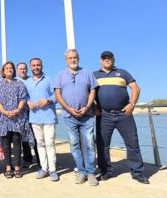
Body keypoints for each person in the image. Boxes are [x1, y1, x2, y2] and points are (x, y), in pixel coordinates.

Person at [94, 51, 149, 184]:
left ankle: (138, 173)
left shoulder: (122, 72)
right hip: (104, 115)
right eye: (104, 58)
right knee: (102, 145)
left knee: (132, 144)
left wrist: (132, 104)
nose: (107, 60)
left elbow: (136, 88)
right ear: (101, 60)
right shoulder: (94, 75)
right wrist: (93, 107)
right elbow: (88, 92)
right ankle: (106, 172)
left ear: (113, 59)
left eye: (109, 58)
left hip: (124, 114)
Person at [54, 49, 98, 186]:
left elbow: (93, 91)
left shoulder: (87, 73)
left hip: (87, 116)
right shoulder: (60, 75)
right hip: (69, 116)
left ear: (78, 58)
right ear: (66, 60)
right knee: (74, 145)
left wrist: (87, 107)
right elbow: (58, 94)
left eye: (75, 57)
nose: (73, 60)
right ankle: (81, 171)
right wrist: (68, 109)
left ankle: (91, 172)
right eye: (70, 58)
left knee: (90, 143)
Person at [0, 61, 34, 178]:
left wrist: (17, 110)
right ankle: (8, 167)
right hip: (4, 118)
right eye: (7, 68)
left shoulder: (20, 83)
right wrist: (4, 112)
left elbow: (23, 98)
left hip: (18, 117)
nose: (9, 70)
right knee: (6, 143)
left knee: (17, 143)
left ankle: (17, 167)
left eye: (11, 68)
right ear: (3, 71)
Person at [24, 58, 59, 181]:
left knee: (50, 143)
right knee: (40, 143)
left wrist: (47, 100)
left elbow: (57, 95)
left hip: (49, 116)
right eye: (33, 65)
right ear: (31, 67)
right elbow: (25, 96)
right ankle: (44, 168)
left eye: (38, 65)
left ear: (42, 66)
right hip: (34, 117)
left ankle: (53, 170)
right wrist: (28, 102)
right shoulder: (27, 82)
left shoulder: (49, 79)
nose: (36, 67)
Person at [16, 62, 40, 167]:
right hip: (21, 113)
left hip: (33, 112)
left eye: (24, 68)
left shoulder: (32, 80)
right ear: (17, 70)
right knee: (24, 138)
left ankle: (40, 159)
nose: (23, 70)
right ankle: (27, 159)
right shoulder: (15, 81)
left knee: (36, 136)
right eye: (21, 69)